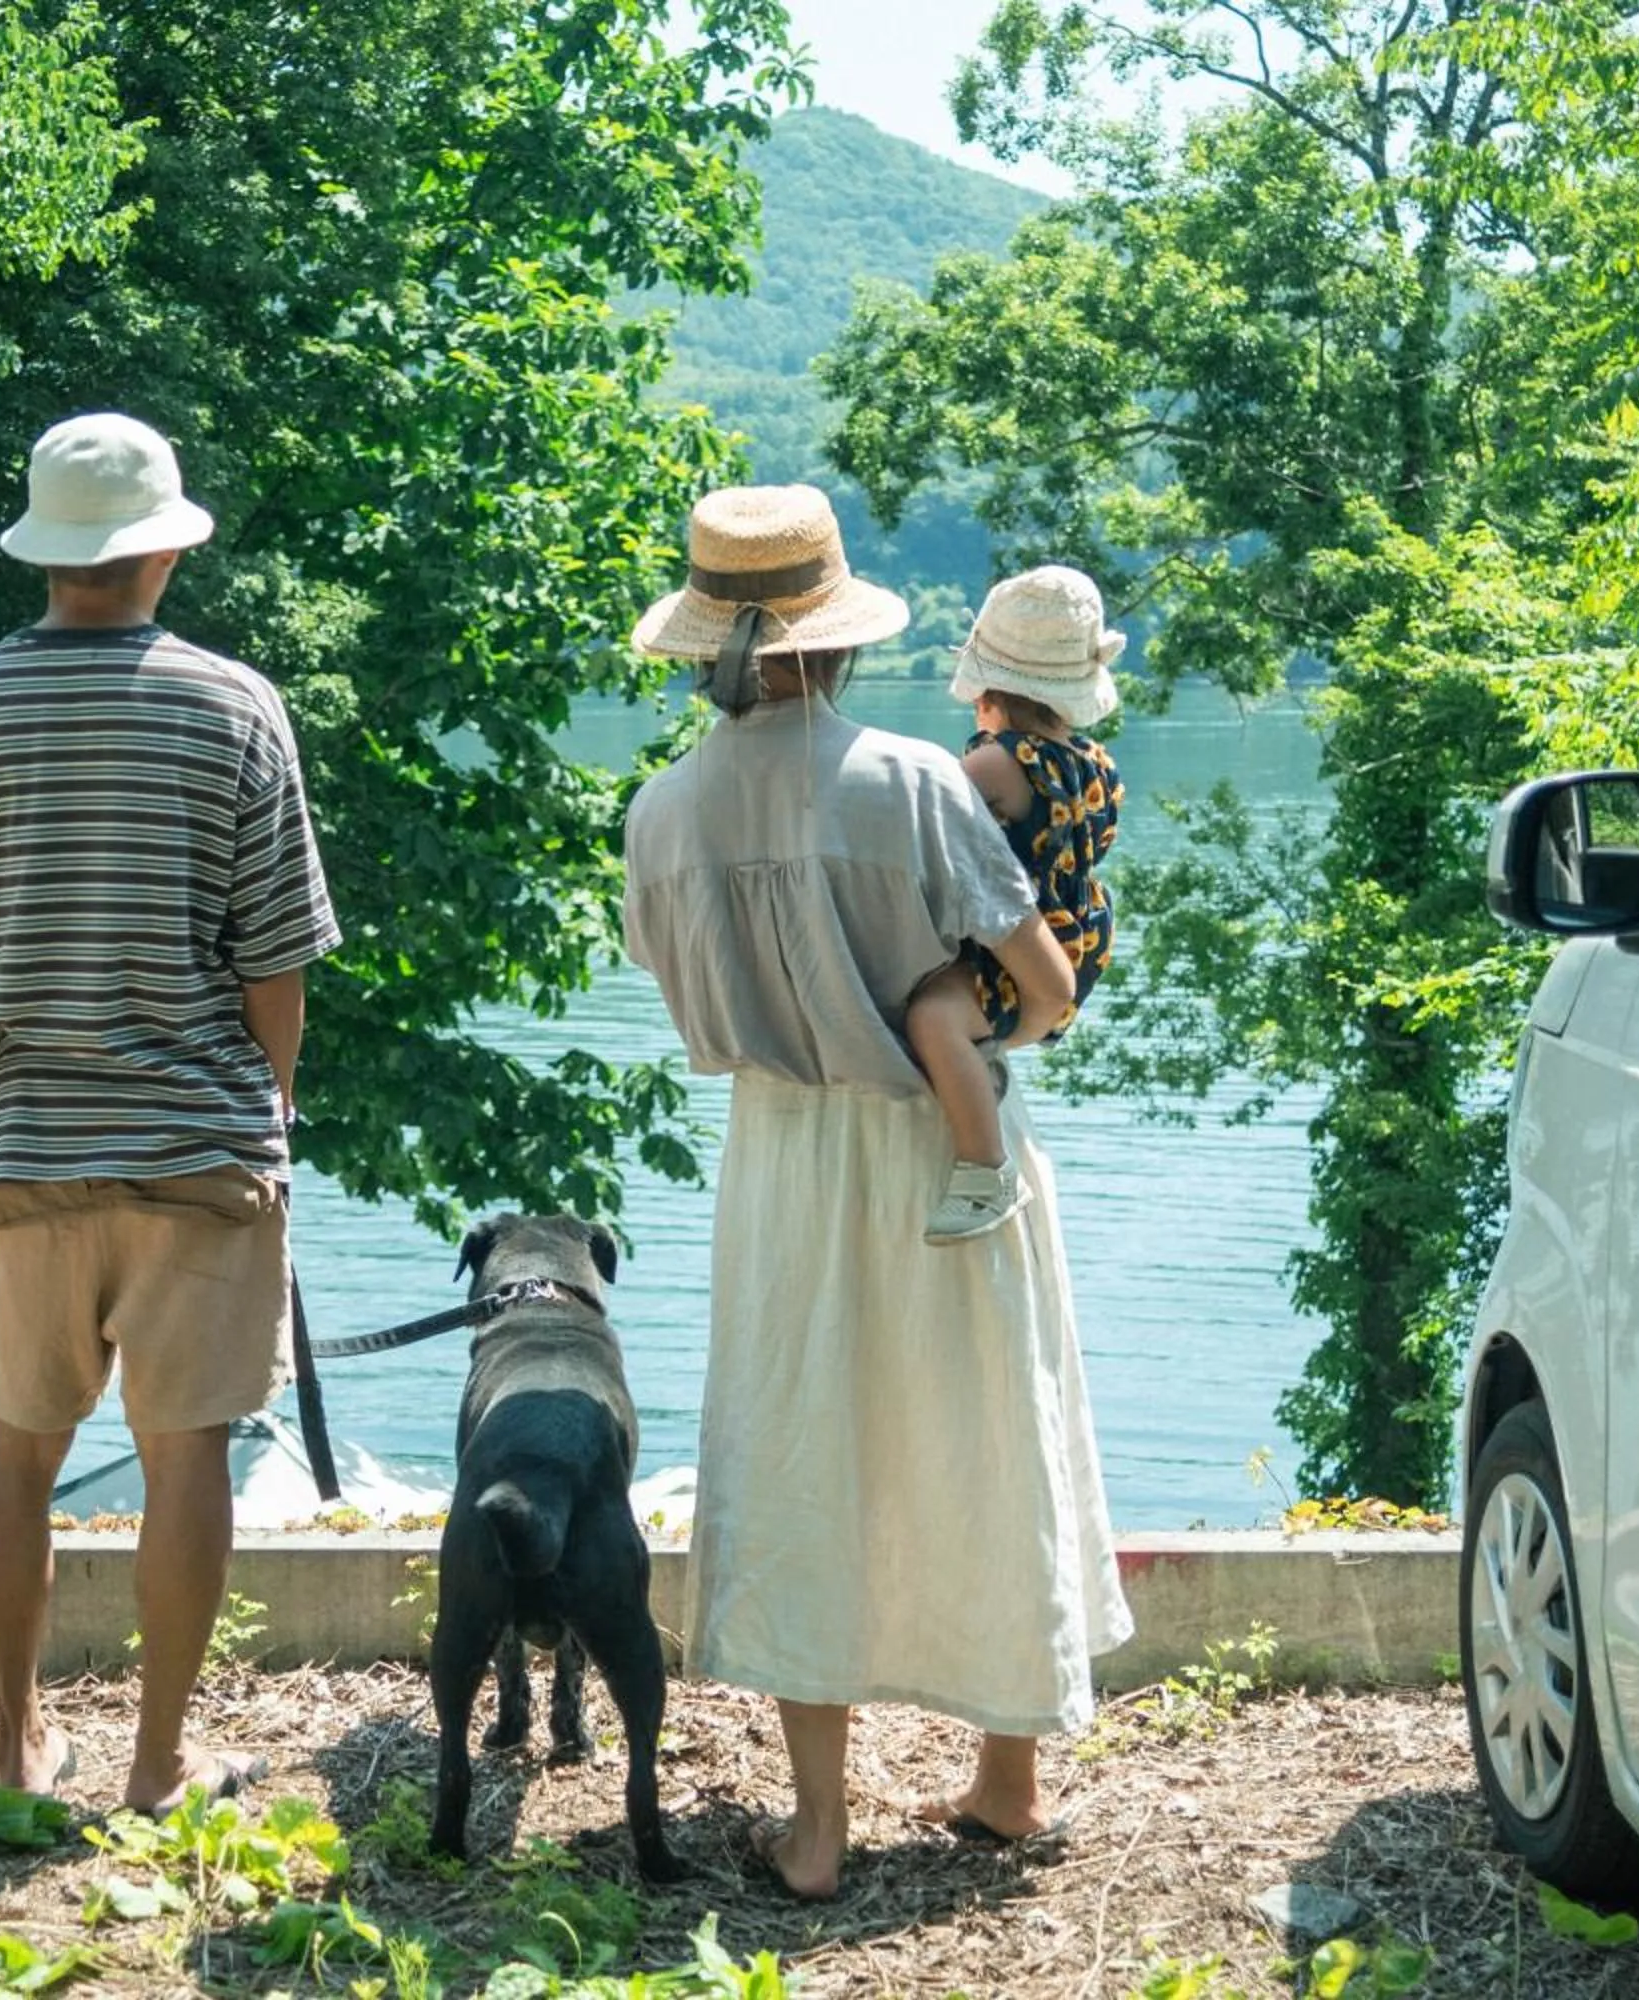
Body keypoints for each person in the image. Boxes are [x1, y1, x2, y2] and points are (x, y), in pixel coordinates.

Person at [620, 485, 1134, 1901]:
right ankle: (1008, 1781)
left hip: (783, 1157)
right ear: (836, 638)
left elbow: (688, 1006)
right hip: (935, 1138)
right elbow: (1047, 985)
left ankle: (820, 1824)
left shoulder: (660, 813)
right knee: (984, 1430)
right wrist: (1000, 1032)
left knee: (805, 1453)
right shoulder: (912, 777)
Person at [0, 410, 339, 1810]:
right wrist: (275, 1114)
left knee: (15, 1447)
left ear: (50, 554)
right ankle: (154, 1762)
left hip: (21, 1144)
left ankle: (15, 1747)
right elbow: (276, 965)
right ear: (163, 556)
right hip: (197, 1144)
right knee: (186, 1451)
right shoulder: (234, 706)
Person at [901, 566, 1127, 1242]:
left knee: (933, 1017)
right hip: (1081, 939)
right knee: (955, 1022)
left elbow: (929, 837)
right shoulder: (1096, 762)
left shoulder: (994, 764)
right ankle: (983, 1068)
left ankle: (984, 1171)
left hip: (1021, 953)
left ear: (990, 691)